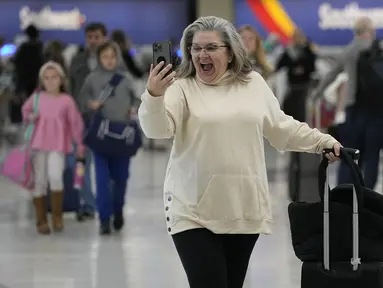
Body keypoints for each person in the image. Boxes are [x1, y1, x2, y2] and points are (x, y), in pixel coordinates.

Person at [138, 16, 341, 288]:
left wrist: (322, 142)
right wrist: (154, 96)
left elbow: (282, 128)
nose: (201, 55)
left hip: (242, 209)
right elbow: (158, 129)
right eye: (195, 49)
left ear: (230, 51)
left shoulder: (253, 83)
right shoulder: (181, 87)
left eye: (210, 48)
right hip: (191, 210)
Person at [79, 41, 137, 235]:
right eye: (105, 57)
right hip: (101, 135)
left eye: (112, 56)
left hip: (123, 134)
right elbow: (82, 101)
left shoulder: (126, 78)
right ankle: (104, 218)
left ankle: (118, 209)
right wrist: (90, 104)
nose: (109, 61)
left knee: (121, 177)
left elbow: (138, 99)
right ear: (99, 58)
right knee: (102, 179)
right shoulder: (92, 79)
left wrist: (133, 108)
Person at [313, 17, 378, 188]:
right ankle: (369, 196)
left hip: (353, 108)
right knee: (372, 156)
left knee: (349, 155)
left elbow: (331, 75)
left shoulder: (349, 50)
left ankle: (343, 193)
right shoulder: (378, 50)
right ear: (371, 31)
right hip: (377, 111)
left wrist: (317, 93)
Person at [22, 61, 85, 235]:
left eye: (54, 77)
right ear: (42, 80)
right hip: (38, 145)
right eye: (46, 78)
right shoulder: (36, 98)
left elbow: (75, 124)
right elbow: (25, 112)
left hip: (58, 145)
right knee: (40, 181)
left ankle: (57, 216)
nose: (50, 81)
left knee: (56, 176)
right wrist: (30, 117)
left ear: (61, 79)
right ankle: (41, 220)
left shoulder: (67, 101)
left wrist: (79, 143)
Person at [69, 22, 107, 219]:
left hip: (106, 121)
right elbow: (70, 89)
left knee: (105, 165)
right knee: (81, 163)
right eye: (89, 37)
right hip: (82, 120)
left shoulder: (112, 61)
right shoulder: (77, 61)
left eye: (97, 37)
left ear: (104, 38)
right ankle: (87, 204)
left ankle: (105, 204)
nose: (93, 41)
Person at [12, 24, 44, 124]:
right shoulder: (40, 48)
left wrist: (18, 86)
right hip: (37, 80)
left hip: (25, 81)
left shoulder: (24, 48)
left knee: (26, 105)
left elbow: (17, 65)